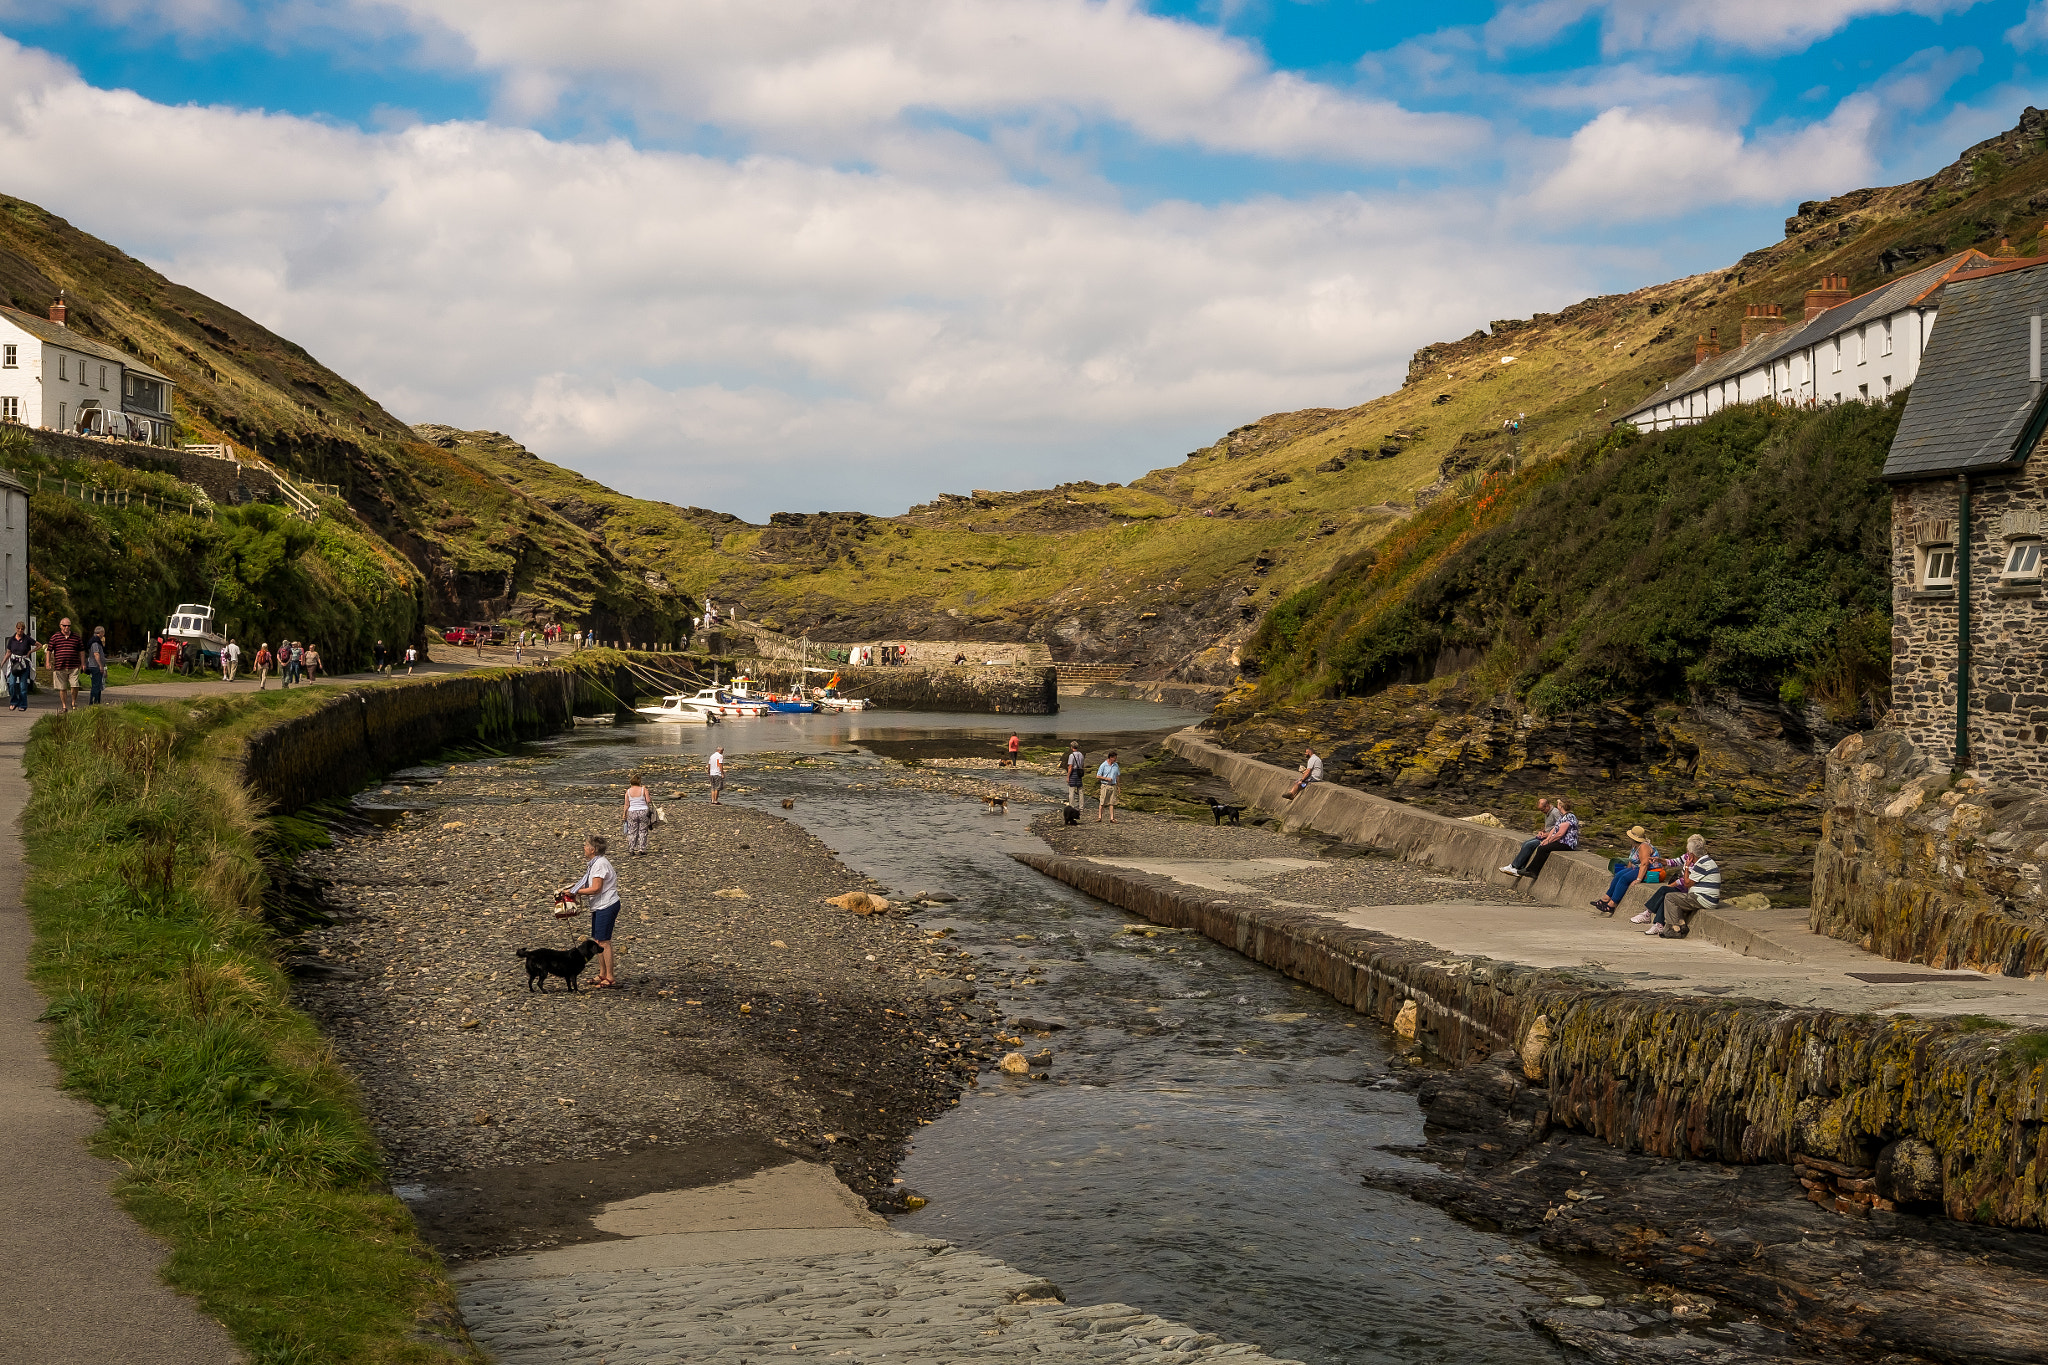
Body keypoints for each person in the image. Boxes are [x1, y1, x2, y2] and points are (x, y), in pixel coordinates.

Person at [561, 833, 621, 988]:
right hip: (600, 905)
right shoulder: (595, 863)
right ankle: (602, 973)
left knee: (604, 942)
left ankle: (610, 976)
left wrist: (576, 892)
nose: (584, 848)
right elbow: (587, 882)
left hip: (606, 905)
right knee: (597, 940)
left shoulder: (600, 864)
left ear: (593, 849)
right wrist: (572, 888)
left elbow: (596, 888)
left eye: (586, 846)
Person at [1641, 834, 1721, 938]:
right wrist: (1659, 860)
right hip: (1705, 897)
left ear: (1691, 854)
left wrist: (1687, 866)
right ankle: (1681, 924)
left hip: (1704, 899)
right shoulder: (1705, 861)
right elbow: (1674, 862)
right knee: (1673, 897)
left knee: (1670, 897)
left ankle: (1674, 929)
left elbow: (1687, 883)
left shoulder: (1701, 864)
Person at [1501, 797, 1578, 882]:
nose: (1557, 806)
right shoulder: (1563, 816)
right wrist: (1546, 839)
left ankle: (1532, 871)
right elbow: (1554, 829)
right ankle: (1524, 868)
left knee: (1542, 848)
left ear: (1560, 806)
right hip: (1560, 841)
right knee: (1536, 845)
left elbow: (1560, 833)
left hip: (1566, 843)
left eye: (1558, 804)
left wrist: (1548, 841)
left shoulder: (1569, 816)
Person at [1593, 825, 1656, 916]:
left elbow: (1645, 864)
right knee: (1619, 875)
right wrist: (1627, 869)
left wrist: (1638, 879)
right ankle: (1606, 898)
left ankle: (1612, 904)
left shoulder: (1644, 847)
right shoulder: (1635, 846)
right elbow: (1631, 860)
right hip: (1637, 867)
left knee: (1624, 878)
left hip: (1650, 870)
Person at [1507, 798, 1558, 878]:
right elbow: (1549, 825)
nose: (1542, 812)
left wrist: (1548, 835)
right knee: (1525, 843)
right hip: (1545, 835)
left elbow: (1560, 827)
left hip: (1550, 838)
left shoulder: (1555, 813)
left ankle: (1514, 866)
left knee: (1529, 845)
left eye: (1542, 809)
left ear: (1547, 805)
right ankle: (1520, 868)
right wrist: (1542, 831)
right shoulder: (1548, 812)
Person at [44, 618, 83, 714]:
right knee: (62, 688)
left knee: (75, 685)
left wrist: (83, 663)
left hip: (73, 666)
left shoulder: (76, 637)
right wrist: (47, 662)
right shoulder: (55, 637)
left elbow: (81, 651)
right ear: (60, 626)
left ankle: (73, 702)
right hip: (60, 666)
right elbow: (49, 650)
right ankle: (64, 706)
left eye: (68, 626)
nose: (67, 627)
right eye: (64, 626)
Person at [5, 621, 35, 711]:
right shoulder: (12, 639)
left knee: (22, 686)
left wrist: (30, 652)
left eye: (22, 629)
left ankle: (23, 704)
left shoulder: (27, 639)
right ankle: (14, 701)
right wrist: (2, 663)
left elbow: (39, 645)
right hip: (14, 664)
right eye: (19, 628)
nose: (20, 630)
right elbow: (8, 652)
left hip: (24, 664)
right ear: (16, 628)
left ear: (24, 630)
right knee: (12, 684)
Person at [623, 771, 652, 855]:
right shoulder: (643, 789)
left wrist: (624, 814)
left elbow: (626, 804)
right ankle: (641, 849)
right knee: (643, 830)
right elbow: (648, 800)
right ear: (639, 781)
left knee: (632, 830)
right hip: (643, 810)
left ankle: (631, 848)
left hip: (632, 811)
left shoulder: (628, 791)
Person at [1096, 750, 1120, 823]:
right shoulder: (1103, 765)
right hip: (1105, 785)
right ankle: (1100, 817)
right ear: (1110, 757)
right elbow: (1098, 776)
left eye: (1116, 758)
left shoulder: (1116, 765)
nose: (1115, 759)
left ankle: (1112, 818)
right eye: (1114, 758)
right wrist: (1106, 778)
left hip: (1113, 785)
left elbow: (1118, 776)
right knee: (1102, 802)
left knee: (1112, 802)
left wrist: (1118, 786)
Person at [86, 627, 107, 705]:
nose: (104, 635)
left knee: (99, 685)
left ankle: (97, 702)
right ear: (100, 633)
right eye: (103, 633)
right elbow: (96, 654)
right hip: (95, 666)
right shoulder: (95, 642)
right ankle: (93, 702)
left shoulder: (98, 642)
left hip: (96, 666)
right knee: (96, 685)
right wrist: (100, 665)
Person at [1064, 741, 1086, 811]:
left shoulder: (1071, 755)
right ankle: (1081, 807)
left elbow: (1070, 766)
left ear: (1071, 747)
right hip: (1079, 772)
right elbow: (1082, 765)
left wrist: (1068, 776)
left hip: (1073, 772)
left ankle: (1072, 806)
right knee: (1080, 790)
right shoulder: (1081, 754)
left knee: (1072, 790)